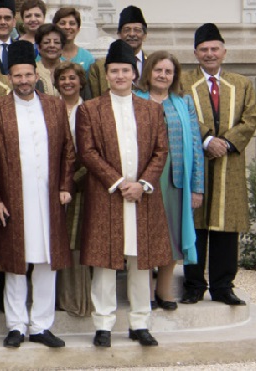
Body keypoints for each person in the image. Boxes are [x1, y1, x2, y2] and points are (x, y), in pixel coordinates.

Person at [77, 39, 170, 348]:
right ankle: (103, 324)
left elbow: (160, 151)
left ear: (135, 73)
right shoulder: (90, 109)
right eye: (114, 70)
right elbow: (87, 153)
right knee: (105, 262)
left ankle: (140, 323)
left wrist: (142, 184)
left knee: (140, 262)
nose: (119, 76)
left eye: (125, 70)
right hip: (108, 195)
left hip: (142, 197)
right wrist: (118, 182)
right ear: (106, 74)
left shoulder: (151, 110)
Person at [0, 41, 75, 349]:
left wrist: (65, 186)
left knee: (47, 262)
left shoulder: (54, 105)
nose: (23, 80)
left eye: (27, 74)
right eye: (17, 76)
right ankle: (15, 325)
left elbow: (68, 151)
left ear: (36, 75)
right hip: (12, 199)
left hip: (49, 198)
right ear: (8, 78)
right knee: (14, 263)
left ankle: (40, 325)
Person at [181, 23, 256, 306]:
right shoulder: (183, 83)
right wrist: (206, 140)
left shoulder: (242, 83)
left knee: (227, 225)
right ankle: (193, 285)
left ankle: (223, 286)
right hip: (195, 160)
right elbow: (182, 115)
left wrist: (225, 142)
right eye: (204, 49)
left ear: (224, 52)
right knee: (195, 222)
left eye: (214, 49)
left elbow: (251, 118)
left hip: (230, 161)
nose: (210, 54)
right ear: (195, 53)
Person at [136, 51, 204, 310]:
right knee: (145, 236)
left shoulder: (183, 102)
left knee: (173, 236)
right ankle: (146, 294)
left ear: (174, 76)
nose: (163, 75)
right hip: (145, 180)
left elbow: (195, 146)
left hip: (176, 180)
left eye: (168, 71)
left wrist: (197, 187)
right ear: (148, 72)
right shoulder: (135, 99)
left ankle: (164, 292)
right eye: (158, 70)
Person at [54, 61, 93, 317]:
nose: (68, 82)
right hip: (51, 186)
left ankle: (75, 298)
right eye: (63, 79)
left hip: (81, 184)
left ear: (81, 81)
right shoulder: (50, 108)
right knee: (55, 240)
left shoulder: (89, 110)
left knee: (76, 240)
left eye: (72, 78)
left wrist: (72, 180)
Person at [52, 7, 95, 71]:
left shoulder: (87, 58)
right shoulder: (46, 55)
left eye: (72, 23)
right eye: (62, 23)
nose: (67, 27)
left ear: (78, 29)